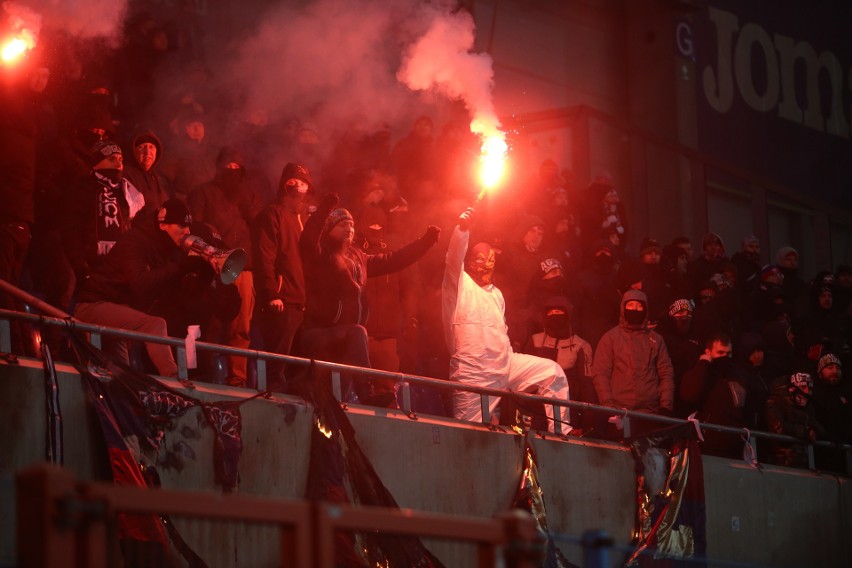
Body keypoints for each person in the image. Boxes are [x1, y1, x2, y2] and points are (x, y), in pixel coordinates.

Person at [296, 193, 440, 404]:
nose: (349, 228)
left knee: (335, 402)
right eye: (342, 224)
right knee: (358, 332)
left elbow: (394, 260)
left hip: (344, 338)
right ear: (329, 229)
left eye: (352, 225)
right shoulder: (320, 255)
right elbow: (308, 239)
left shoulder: (359, 258)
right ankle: (366, 392)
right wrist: (324, 209)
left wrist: (425, 242)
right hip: (319, 333)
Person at [442, 207, 570, 432]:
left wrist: (508, 354)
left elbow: (502, 332)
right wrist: (462, 231)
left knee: (553, 373)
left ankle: (561, 434)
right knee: (468, 435)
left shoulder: (496, 294)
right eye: (480, 258)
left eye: (491, 258)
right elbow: (453, 259)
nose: (486, 263)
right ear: (470, 261)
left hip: (504, 363)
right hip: (473, 372)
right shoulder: (459, 285)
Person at [74, 199, 194, 377]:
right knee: (155, 325)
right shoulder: (135, 241)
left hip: (115, 313)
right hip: (93, 306)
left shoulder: (165, 250)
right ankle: (176, 383)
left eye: (189, 226)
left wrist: (199, 272)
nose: (187, 231)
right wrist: (180, 267)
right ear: (163, 225)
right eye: (182, 225)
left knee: (124, 379)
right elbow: (141, 284)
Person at [188, 147, 262, 387]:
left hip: (244, 268)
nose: (232, 172)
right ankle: (206, 375)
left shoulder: (248, 196)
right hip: (215, 265)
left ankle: (237, 379)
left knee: (240, 330)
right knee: (211, 324)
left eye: (236, 168)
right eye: (227, 167)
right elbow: (196, 228)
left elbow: (260, 229)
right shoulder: (202, 193)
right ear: (219, 168)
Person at [252, 163, 311, 390]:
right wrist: (271, 293)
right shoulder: (271, 214)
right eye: (293, 182)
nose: (298, 187)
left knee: (301, 370)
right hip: (282, 302)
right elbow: (263, 257)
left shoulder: (305, 218)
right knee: (277, 367)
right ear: (283, 184)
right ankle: (272, 411)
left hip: (304, 303)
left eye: (303, 183)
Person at [592, 289, 675, 440]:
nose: (634, 310)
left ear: (646, 309)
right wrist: (609, 406)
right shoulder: (610, 338)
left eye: (639, 306)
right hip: (619, 413)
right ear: (623, 308)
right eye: (630, 305)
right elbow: (600, 374)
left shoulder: (656, 340)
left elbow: (666, 374)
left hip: (650, 415)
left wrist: (665, 407)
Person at [62, 140, 145, 289]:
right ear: (97, 163)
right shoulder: (84, 188)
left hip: (121, 267)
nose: (118, 164)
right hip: (93, 266)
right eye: (112, 159)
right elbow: (70, 229)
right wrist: (81, 266)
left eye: (121, 160)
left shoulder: (126, 192)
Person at [764, 371, 825, 469]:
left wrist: (818, 432)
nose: (807, 392)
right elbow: (779, 427)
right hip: (779, 461)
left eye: (809, 389)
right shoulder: (775, 401)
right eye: (803, 387)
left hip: (804, 461)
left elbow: (816, 425)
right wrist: (806, 432)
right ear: (793, 387)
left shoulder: (807, 405)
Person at [123, 130, 170, 222]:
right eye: (142, 147)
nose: (147, 152)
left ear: (157, 151)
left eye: (151, 147)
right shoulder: (126, 174)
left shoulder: (160, 178)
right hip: (139, 232)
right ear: (133, 150)